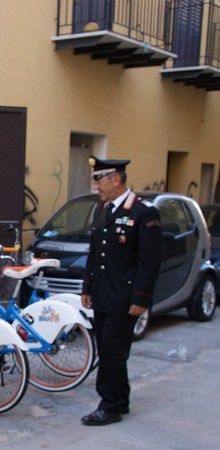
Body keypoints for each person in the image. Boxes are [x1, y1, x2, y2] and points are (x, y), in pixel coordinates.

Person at [80, 156, 161, 426]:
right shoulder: (104, 209)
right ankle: (121, 398)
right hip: (103, 293)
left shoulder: (142, 212)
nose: (97, 185)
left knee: (113, 350)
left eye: (99, 179)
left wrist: (141, 298)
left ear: (116, 179)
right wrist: (88, 286)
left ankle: (110, 406)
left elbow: (149, 262)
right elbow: (95, 252)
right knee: (109, 350)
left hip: (125, 297)